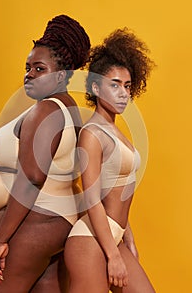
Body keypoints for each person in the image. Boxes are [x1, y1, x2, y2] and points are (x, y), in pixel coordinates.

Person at [0, 14, 90, 293]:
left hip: (30, 224)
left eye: (39, 68)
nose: (29, 74)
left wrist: (1, 238)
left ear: (61, 75)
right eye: (27, 67)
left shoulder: (46, 109)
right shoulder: (69, 109)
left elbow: (33, 177)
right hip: (56, 226)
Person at [64, 28, 156, 292]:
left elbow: (116, 191)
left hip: (112, 236)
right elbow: (92, 198)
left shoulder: (115, 131)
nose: (123, 93)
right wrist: (113, 256)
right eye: (114, 85)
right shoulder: (92, 134)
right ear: (95, 86)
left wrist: (128, 237)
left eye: (127, 86)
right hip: (90, 242)